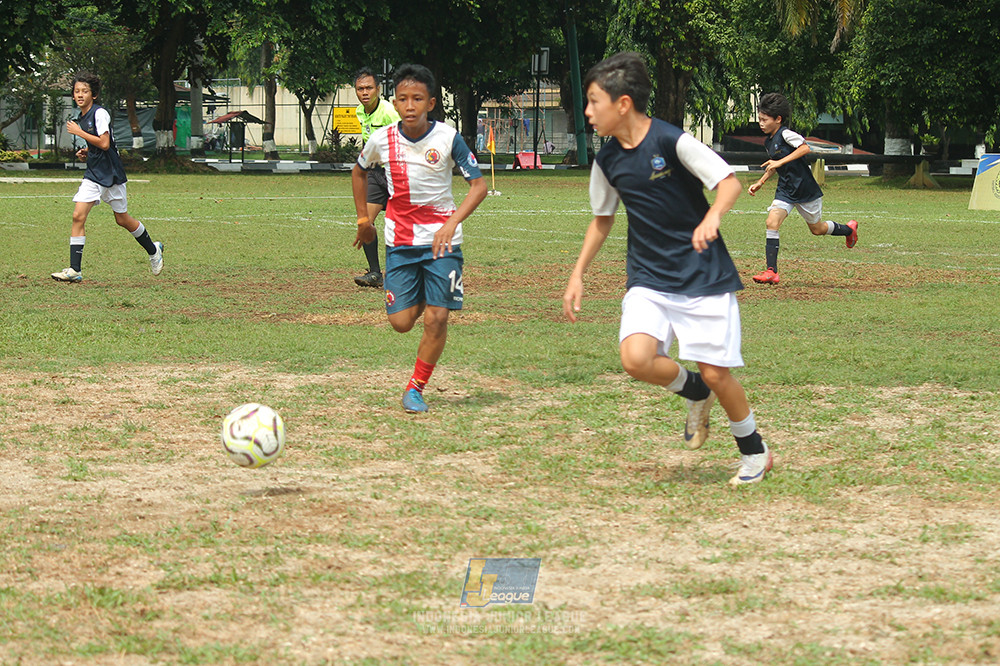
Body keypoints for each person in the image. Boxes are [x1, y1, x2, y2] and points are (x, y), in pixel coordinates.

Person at [562, 53, 771, 487]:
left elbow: (728, 182)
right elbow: (603, 220)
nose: (587, 111)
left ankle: (755, 452)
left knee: (717, 372)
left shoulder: (672, 141)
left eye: (593, 101)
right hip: (649, 277)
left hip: (702, 274)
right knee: (635, 359)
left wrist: (712, 218)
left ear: (622, 104)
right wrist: (578, 272)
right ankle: (693, 391)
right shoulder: (607, 161)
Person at [352, 64, 487, 413]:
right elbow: (359, 170)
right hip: (400, 242)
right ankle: (428, 294)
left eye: (417, 99)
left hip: (444, 243)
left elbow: (479, 186)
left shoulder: (448, 138)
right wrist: (363, 219)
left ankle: (415, 387)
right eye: (403, 99)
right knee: (400, 323)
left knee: (437, 318)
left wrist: (451, 223)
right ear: (394, 103)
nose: (409, 105)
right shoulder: (381, 139)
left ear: (430, 103)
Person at [51, 71, 163, 283]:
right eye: (77, 91)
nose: (80, 94)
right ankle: (75, 270)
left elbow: (104, 143)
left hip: (111, 173)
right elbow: (99, 145)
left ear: (94, 94)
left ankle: (153, 249)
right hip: (94, 173)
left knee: (122, 219)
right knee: (78, 215)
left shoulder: (100, 113)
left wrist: (79, 133)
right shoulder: (83, 117)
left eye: (85, 91)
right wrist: (86, 151)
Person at [747, 92, 857, 285]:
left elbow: (805, 148)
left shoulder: (786, 134)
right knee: (772, 222)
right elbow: (775, 164)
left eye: (764, 120)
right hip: (785, 190)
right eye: (760, 119)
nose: (761, 123)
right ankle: (771, 271)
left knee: (817, 229)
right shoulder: (768, 141)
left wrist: (780, 161)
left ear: (778, 119)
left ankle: (848, 230)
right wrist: (761, 181)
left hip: (805, 189)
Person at [352, 67, 402, 288]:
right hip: (376, 173)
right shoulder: (359, 112)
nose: (365, 92)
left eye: (369, 88)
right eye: (360, 88)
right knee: (366, 223)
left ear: (378, 89)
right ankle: (375, 274)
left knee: (403, 225)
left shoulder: (389, 112)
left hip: (398, 174)